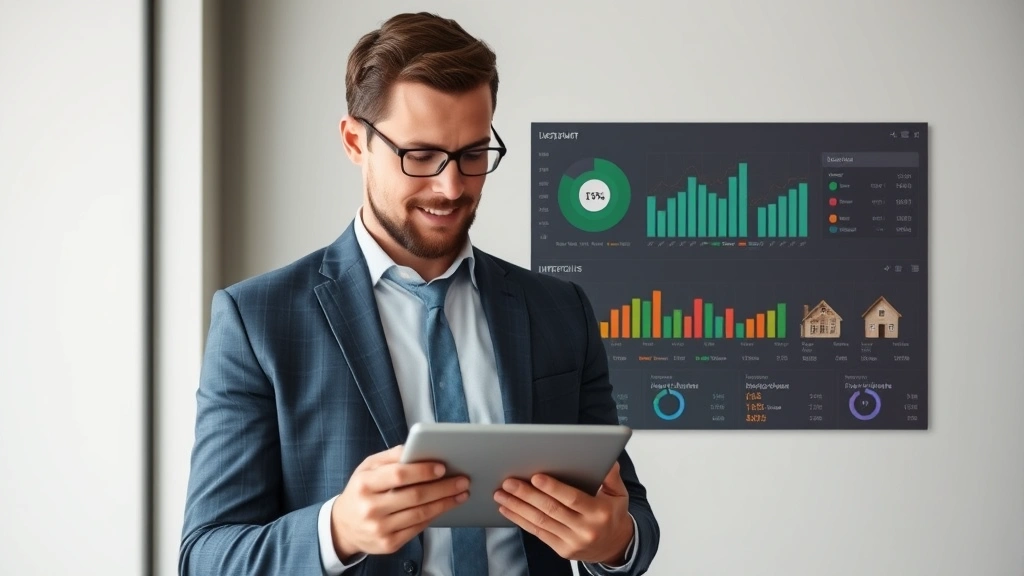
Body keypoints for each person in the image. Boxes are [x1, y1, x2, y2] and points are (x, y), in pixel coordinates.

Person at [179, 11, 659, 576]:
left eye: (473, 154)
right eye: (421, 156)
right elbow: (206, 557)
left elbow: (629, 514)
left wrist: (614, 543)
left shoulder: (560, 311)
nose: (451, 186)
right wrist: (337, 530)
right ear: (355, 141)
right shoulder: (256, 320)